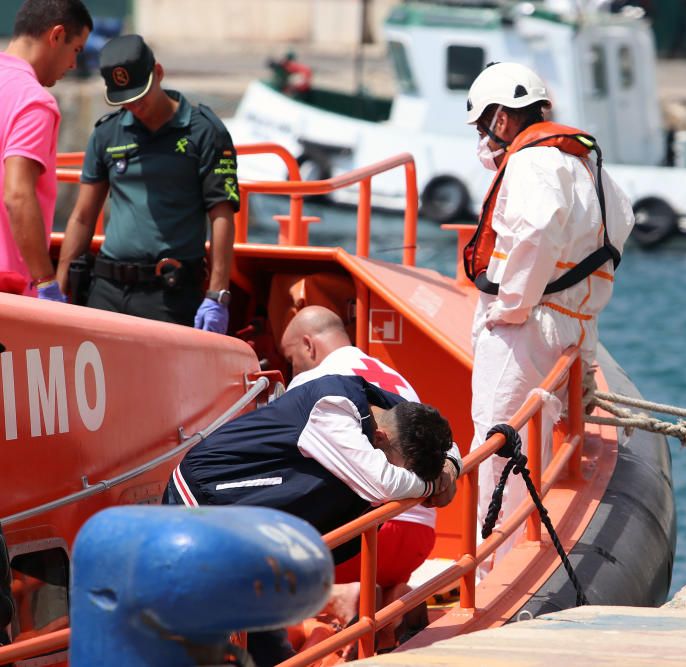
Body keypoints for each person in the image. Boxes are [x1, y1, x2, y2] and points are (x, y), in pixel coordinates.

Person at [463, 62, 635, 566]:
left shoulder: (531, 163)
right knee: (535, 434)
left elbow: (535, 229)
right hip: (575, 322)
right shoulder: (583, 160)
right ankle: (514, 542)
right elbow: (620, 220)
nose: (483, 140)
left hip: (529, 323)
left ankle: (492, 561)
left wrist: (511, 305)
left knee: (497, 441)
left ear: (500, 119)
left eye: (482, 127)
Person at [164, 371, 458, 666]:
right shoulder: (331, 408)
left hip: (256, 535)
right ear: (379, 438)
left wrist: (450, 465)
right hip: (205, 507)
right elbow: (382, 482)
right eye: (402, 469)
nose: (403, 480)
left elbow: (447, 442)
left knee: (265, 645)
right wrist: (431, 486)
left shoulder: (390, 410)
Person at [55, 34, 239, 332]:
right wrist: (59, 286)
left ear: (159, 74)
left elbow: (221, 214)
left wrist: (217, 295)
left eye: (140, 96)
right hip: (106, 290)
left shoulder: (205, 133)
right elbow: (82, 216)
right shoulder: (107, 134)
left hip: (169, 293)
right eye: (125, 100)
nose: (135, 106)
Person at [281, 306, 459, 592]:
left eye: (291, 360)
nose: (293, 370)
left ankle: (344, 596)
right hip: (418, 541)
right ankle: (389, 597)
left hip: (359, 543)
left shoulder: (313, 383)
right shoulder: (395, 378)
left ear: (308, 345)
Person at [1, 0, 92, 300]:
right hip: (9, 292)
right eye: (76, 50)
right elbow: (17, 194)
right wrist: (45, 282)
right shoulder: (33, 101)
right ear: (56, 36)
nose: (73, 65)